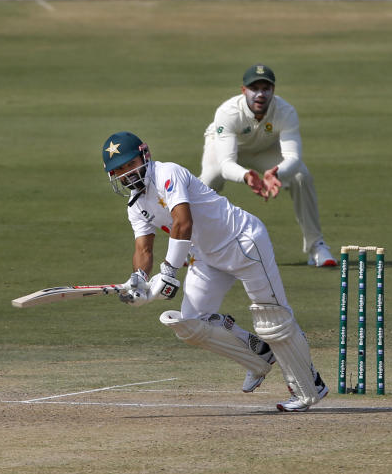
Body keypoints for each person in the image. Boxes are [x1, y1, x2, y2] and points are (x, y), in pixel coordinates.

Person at [102, 131, 329, 412]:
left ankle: (309, 387)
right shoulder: (136, 206)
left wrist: (170, 272)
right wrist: (139, 281)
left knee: (273, 318)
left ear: (144, 155)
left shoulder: (167, 174)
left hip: (243, 241)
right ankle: (258, 356)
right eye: (119, 170)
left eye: (129, 163)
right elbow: (143, 249)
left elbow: (182, 223)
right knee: (189, 324)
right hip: (207, 257)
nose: (127, 173)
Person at [199, 64, 337, 268]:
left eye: (266, 88)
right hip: (226, 148)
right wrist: (247, 176)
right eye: (254, 88)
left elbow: (293, 157)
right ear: (244, 90)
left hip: (264, 149)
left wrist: (277, 173)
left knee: (301, 176)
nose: (260, 94)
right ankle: (191, 245)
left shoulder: (286, 111)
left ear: (273, 90)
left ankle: (316, 246)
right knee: (209, 179)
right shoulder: (227, 112)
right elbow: (226, 163)